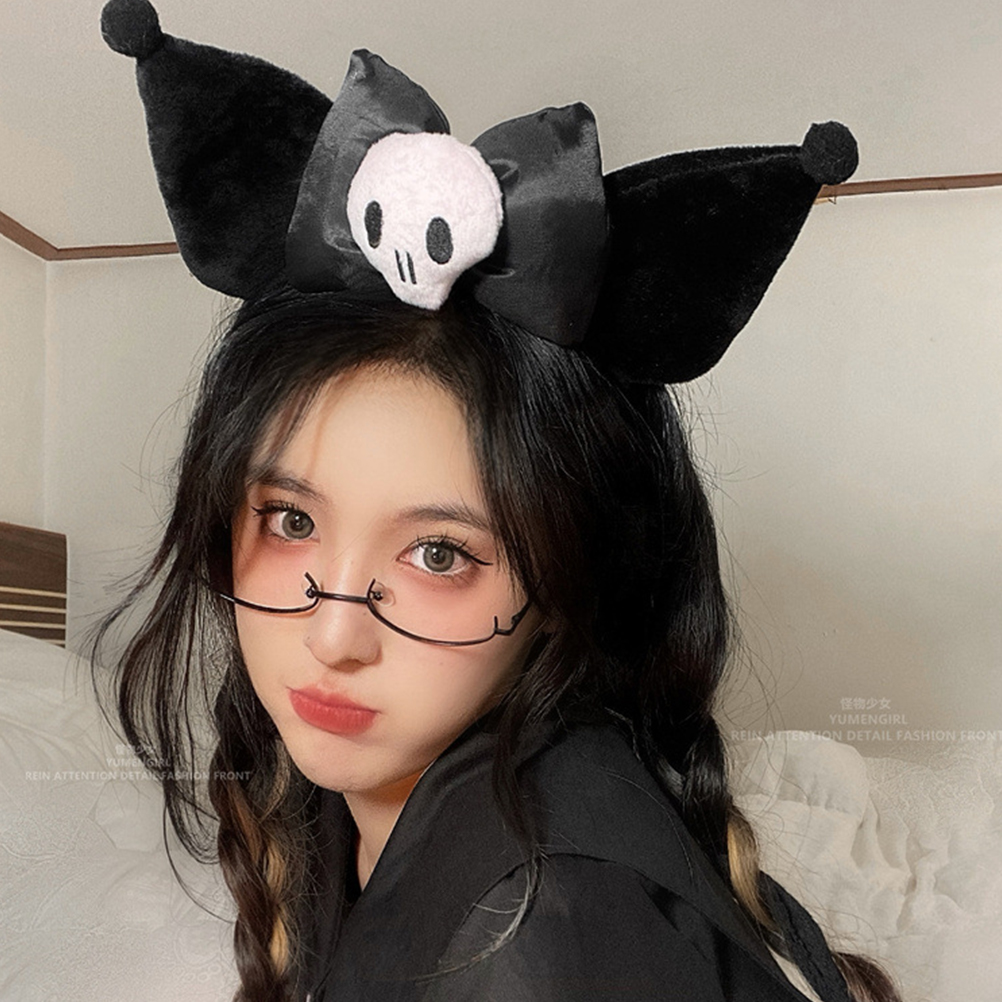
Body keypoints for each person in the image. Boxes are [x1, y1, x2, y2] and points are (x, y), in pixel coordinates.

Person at [94, 2, 902, 1001]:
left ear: (563, 581)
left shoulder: (530, 935)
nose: (334, 635)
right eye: (292, 521)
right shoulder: (380, 782)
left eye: (438, 553)